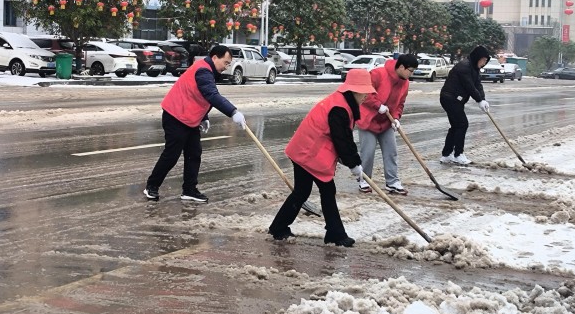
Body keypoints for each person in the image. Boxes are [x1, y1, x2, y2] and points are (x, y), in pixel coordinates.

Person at [267, 69, 376, 247]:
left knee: (304, 191)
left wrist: (349, 160)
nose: (367, 96)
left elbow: (341, 138)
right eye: (365, 92)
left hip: (307, 149)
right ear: (354, 90)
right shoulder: (339, 107)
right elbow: (342, 139)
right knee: (324, 190)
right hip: (308, 151)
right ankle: (335, 234)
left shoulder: (343, 103)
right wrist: (354, 163)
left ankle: (279, 227)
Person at [144, 45, 246, 203]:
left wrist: (204, 116)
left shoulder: (207, 70)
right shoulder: (204, 71)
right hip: (175, 115)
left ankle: (189, 190)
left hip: (189, 118)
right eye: (225, 63)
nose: (226, 67)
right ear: (214, 58)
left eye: (228, 64)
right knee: (172, 155)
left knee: (194, 154)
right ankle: (152, 186)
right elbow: (211, 95)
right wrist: (233, 112)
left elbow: (199, 95)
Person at [356, 54, 419, 195]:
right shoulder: (378, 74)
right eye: (411, 70)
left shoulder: (405, 83)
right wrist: (377, 105)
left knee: (391, 151)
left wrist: (396, 118)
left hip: (386, 122)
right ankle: (364, 180)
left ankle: (392, 182)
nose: (412, 74)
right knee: (368, 152)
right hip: (368, 120)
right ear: (401, 67)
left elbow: (400, 103)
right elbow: (364, 93)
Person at [439, 45, 491, 165]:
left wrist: (483, 99)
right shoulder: (464, 66)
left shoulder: (475, 68)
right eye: (483, 60)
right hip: (450, 98)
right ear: (477, 57)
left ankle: (446, 155)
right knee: (462, 124)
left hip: (457, 99)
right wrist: (478, 100)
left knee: (456, 126)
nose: (483, 63)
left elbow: (478, 85)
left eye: (485, 61)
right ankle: (458, 154)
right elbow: (470, 86)